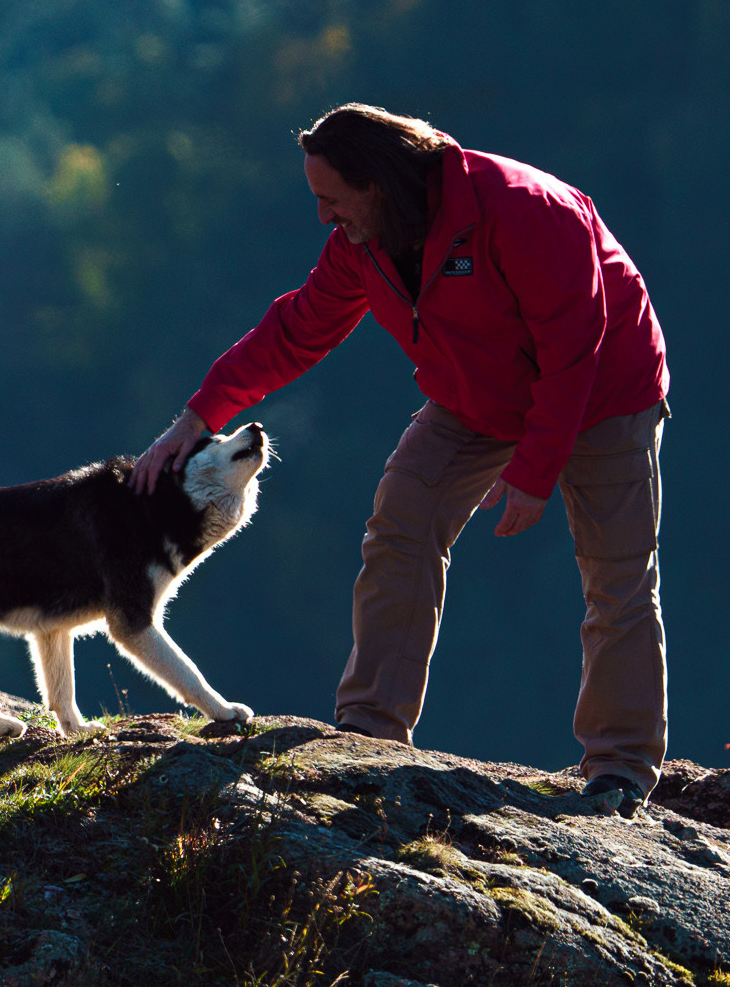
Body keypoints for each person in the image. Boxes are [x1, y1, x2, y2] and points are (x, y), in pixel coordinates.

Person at [131, 103, 670, 811]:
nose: (323, 217)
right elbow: (297, 329)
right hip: (474, 398)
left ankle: (620, 770)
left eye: (330, 199)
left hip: (603, 394)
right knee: (402, 523)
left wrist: (534, 471)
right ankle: (371, 729)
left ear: (377, 182)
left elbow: (575, 349)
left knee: (617, 577)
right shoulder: (367, 239)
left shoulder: (523, 209)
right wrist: (196, 420)